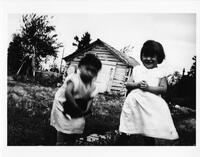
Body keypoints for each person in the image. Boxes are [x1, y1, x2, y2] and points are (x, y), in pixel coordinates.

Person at [118, 40, 179, 145]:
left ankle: (149, 144)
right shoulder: (137, 69)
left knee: (147, 129)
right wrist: (137, 85)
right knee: (128, 125)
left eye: (152, 57)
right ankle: (122, 140)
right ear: (141, 56)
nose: (148, 59)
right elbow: (128, 84)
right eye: (145, 56)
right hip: (134, 104)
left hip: (150, 106)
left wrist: (148, 88)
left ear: (158, 58)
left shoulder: (160, 72)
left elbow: (163, 89)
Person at [50, 53, 102, 145]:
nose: (90, 73)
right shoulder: (74, 78)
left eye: (93, 72)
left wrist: (87, 110)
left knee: (76, 124)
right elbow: (68, 93)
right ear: (80, 67)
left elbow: (90, 98)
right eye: (88, 69)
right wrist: (75, 105)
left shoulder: (92, 86)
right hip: (62, 103)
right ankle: (60, 143)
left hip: (77, 105)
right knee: (62, 123)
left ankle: (71, 142)